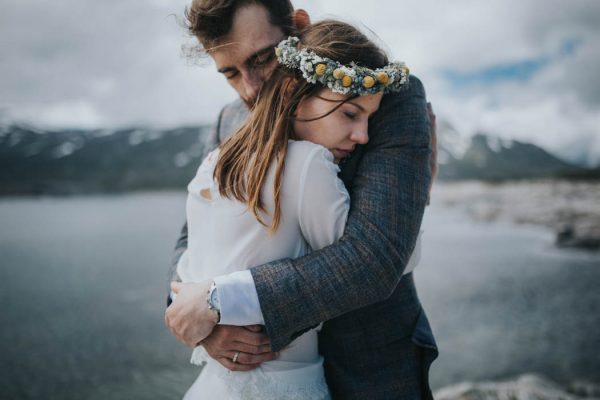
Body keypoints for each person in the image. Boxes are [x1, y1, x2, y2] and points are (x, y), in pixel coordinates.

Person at [166, 1, 438, 399]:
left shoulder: (384, 93)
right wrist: (199, 321)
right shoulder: (230, 120)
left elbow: (377, 258)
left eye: (262, 59)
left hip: (372, 366)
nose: (251, 88)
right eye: (230, 73)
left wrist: (222, 301)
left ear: (298, 27)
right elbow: (191, 236)